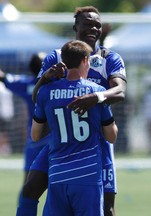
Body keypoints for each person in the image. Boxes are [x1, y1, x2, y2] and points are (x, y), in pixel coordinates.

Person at [16, 6, 126, 216]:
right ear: (76, 26)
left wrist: (95, 97)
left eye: (97, 25)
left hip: (97, 143)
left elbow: (120, 91)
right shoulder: (57, 57)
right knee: (30, 189)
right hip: (62, 140)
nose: (93, 28)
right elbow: (37, 95)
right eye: (88, 24)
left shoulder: (110, 58)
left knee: (107, 207)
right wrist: (46, 77)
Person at [31, 40, 118, 215]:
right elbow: (111, 136)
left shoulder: (46, 92)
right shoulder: (96, 91)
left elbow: (35, 135)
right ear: (85, 61)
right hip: (87, 176)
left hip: (57, 175)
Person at [0, 52, 49, 182]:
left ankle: (25, 202)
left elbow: (4, 78)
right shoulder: (57, 86)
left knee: (28, 181)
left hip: (33, 136)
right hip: (54, 138)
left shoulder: (26, 85)